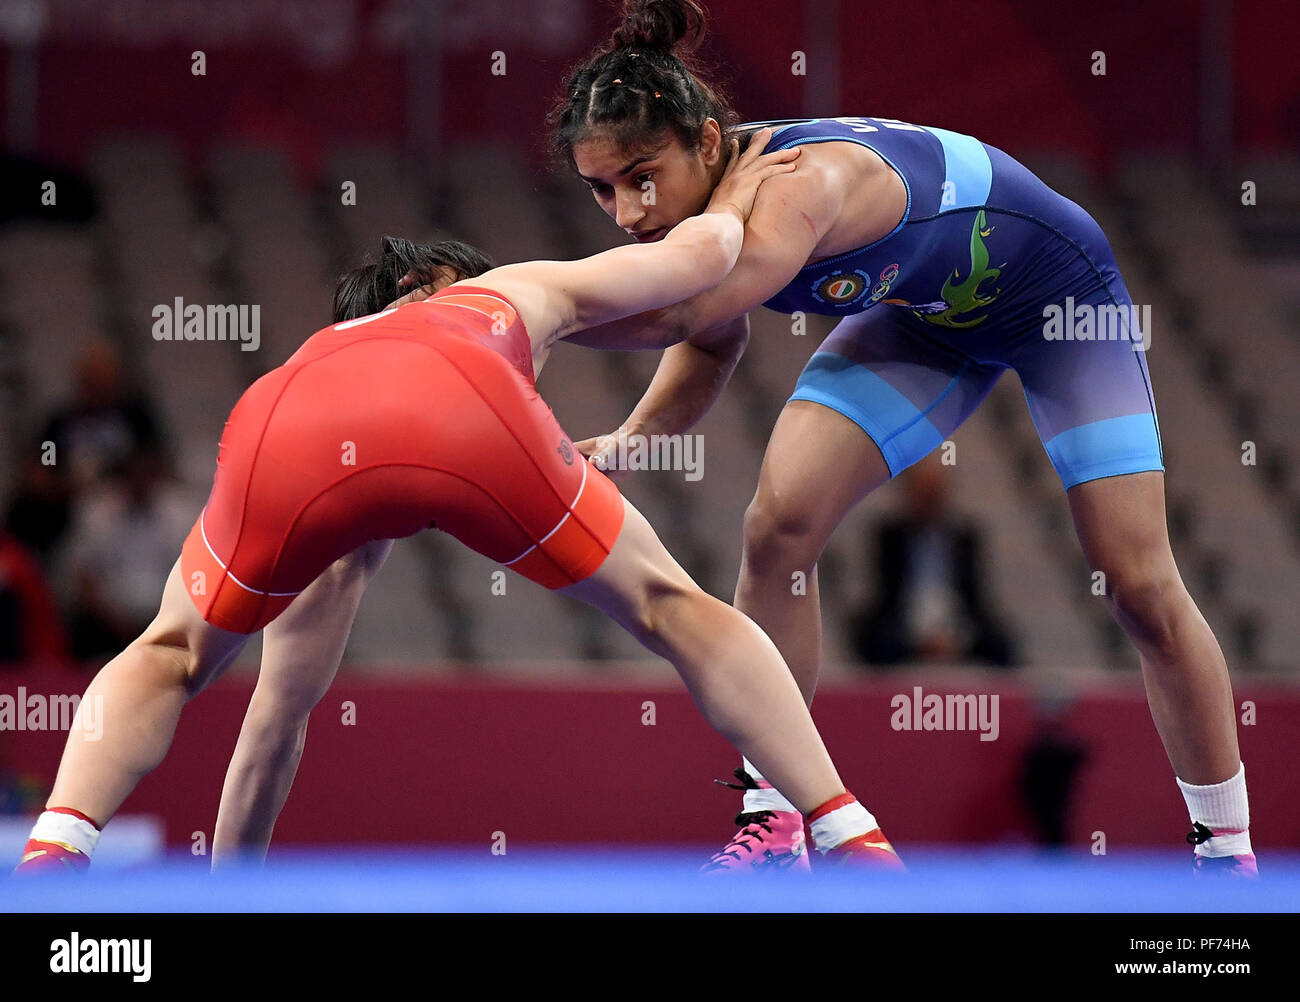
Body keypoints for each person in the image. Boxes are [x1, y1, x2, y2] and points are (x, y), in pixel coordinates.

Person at [16, 134, 902, 875]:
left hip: (283, 421)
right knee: (673, 607)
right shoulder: (498, 290)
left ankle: (56, 847)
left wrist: (231, 897)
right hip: (466, 405)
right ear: (431, 289)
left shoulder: (324, 362)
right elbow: (694, 263)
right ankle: (847, 832)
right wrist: (737, 186)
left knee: (169, 652)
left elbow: (273, 732)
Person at [544, 0, 1254, 874]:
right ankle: (776, 823)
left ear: (707, 140)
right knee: (778, 526)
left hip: (1059, 301)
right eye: (602, 188)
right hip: (927, 317)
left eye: (642, 176)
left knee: (1137, 583)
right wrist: (633, 437)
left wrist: (509, 311)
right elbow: (709, 344)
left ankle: (1227, 852)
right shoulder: (704, 211)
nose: (626, 211)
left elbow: (682, 314)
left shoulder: (798, 186)